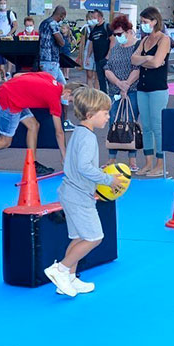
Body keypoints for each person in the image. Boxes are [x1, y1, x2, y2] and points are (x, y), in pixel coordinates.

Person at [44, 87, 119, 298]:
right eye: (105, 113)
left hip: (70, 192)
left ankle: (69, 278)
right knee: (94, 237)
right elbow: (84, 167)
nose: (108, 117)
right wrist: (108, 179)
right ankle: (60, 269)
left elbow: (80, 165)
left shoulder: (79, 132)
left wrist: (98, 171)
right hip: (78, 196)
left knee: (78, 237)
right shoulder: (88, 138)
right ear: (90, 114)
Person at [0, 72, 77, 184]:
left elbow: (17, 75)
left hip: (12, 95)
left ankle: (32, 164)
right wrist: (64, 157)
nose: (68, 102)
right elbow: (59, 132)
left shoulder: (49, 77)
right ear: (67, 92)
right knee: (5, 141)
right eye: (70, 100)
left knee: (33, 125)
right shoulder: (54, 98)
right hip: (10, 101)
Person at [132, 6, 171, 177]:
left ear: (155, 21)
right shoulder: (144, 40)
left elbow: (157, 63)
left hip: (158, 88)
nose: (143, 25)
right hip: (143, 87)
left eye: (145, 21)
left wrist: (146, 61)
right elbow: (133, 59)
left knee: (157, 126)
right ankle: (148, 162)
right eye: (141, 22)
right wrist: (147, 58)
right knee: (146, 127)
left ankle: (160, 164)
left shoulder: (164, 39)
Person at [104, 15, 140, 170]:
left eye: (120, 34)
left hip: (132, 90)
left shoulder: (137, 47)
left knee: (131, 123)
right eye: (115, 34)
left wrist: (126, 85)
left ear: (129, 31)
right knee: (113, 122)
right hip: (115, 90)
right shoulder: (115, 48)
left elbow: (137, 69)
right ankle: (111, 158)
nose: (117, 37)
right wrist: (119, 83)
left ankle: (132, 160)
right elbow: (107, 68)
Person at [37, 6, 67, 84]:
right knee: (51, 85)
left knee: (63, 85)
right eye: (62, 18)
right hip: (51, 60)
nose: (61, 21)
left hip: (43, 59)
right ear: (61, 16)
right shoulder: (53, 24)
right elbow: (61, 42)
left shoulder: (43, 23)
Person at [82, 9, 110, 91]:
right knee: (101, 79)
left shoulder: (106, 27)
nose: (93, 20)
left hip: (106, 58)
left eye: (94, 17)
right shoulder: (94, 29)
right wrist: (88, 57)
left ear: (100, 17)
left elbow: (113, 41)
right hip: (97, 58)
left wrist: (108, 56)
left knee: (108, 78)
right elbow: (91, 43)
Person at [0, 0, 18, 83]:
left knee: (8, 55)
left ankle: (8, 72)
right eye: (1, 3)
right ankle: (0, 74)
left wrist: (9, 33)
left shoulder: (10, 13)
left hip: (7, 38)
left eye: (4, 3)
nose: (3, 5)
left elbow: (15, 25)